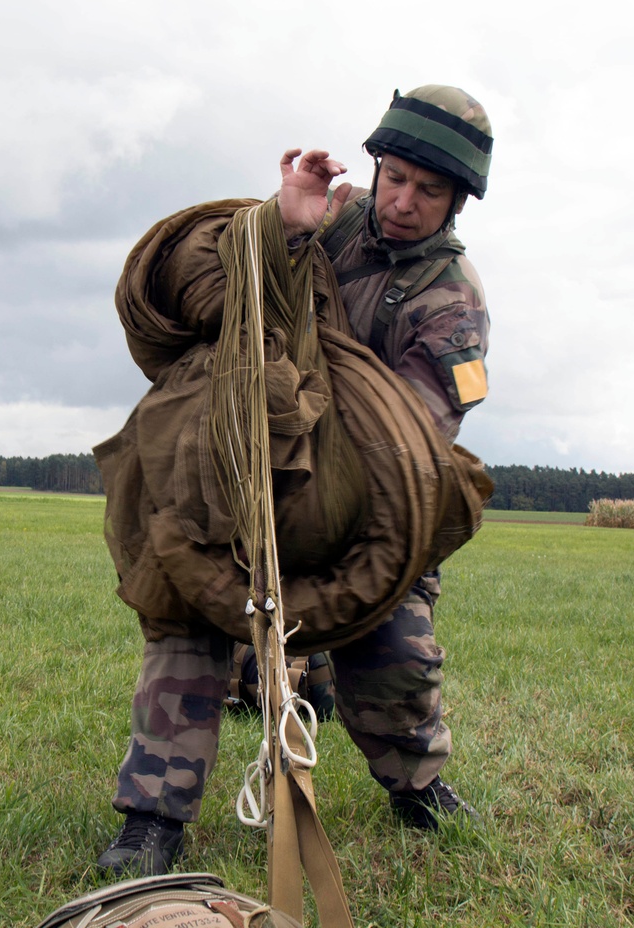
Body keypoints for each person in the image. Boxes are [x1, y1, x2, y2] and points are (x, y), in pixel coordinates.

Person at [96, 85, 494, 877]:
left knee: (396, 650)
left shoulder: (453, 305)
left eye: (430, 191)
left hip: (364, 508)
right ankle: (152, 820)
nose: (404, 202)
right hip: (247, 477)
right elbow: (229, 286)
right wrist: (281, 221)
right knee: (186, 617)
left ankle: (419, 787)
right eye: (396, 178)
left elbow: (410, 439)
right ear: (376, 167)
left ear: (457, 203)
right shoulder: (334, 217)